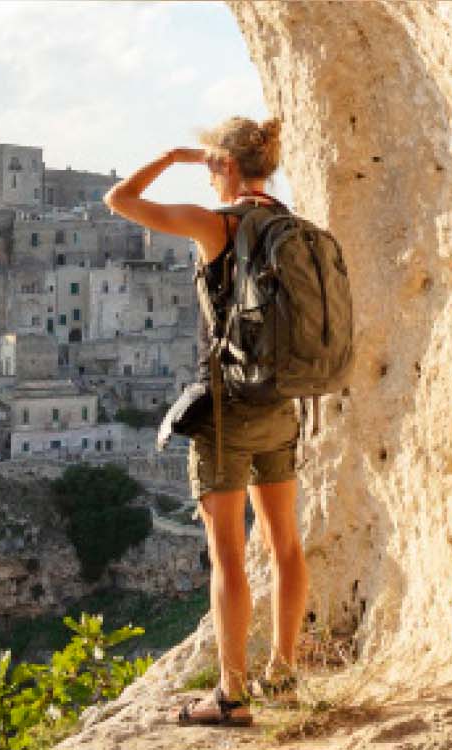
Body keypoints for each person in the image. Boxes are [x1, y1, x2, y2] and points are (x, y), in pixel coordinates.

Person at [110, 116, 311, 727]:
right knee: (286, 544)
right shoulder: (291, 225)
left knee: (227, 556)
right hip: (281, 402)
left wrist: (172, 157)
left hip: (226, 410)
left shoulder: (215, 225)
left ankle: (232, 695)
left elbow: (118, 200)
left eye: (212, 162)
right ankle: (283, 672)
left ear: (222, 165)